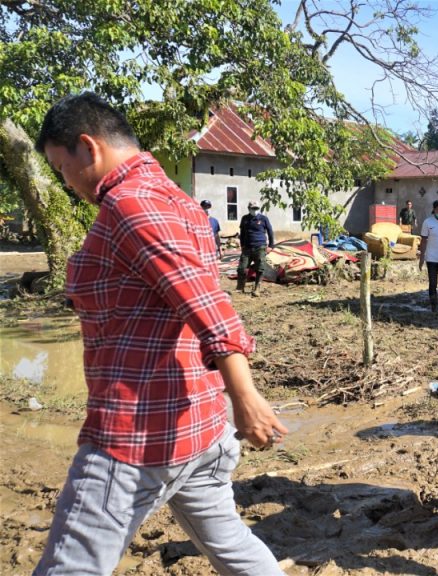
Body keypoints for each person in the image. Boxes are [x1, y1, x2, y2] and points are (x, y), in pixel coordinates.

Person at [33, 92, 287, 575]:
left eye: (62, 167)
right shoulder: (177, 200)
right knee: (231, 545)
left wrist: (248, 399)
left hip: (136, 439)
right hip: (201, 428)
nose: (66, 183)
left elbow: (207, 304)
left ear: (89, 147)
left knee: (70, 568)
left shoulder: (130, 205)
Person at [237, 200, 274, 296]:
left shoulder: (263, 218)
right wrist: (242, 245)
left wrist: (271, 246)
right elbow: (242, 233)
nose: (255, 210)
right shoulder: (245, 219)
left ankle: (257, 288)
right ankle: (240, 288)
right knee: (242, 268)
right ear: (249, 209)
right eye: (253, 208)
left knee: (260, 268)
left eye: (257, 208)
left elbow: (270, 232)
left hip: (260, 246)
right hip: (247, 247)